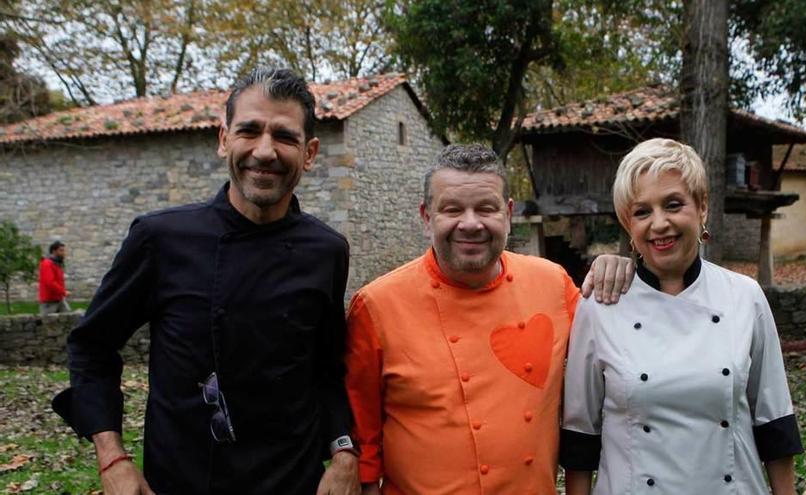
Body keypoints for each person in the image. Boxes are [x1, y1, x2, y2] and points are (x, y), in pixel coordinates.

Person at [52, 68, 360, 495]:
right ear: (223, 140)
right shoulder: (161, 238)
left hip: (292, 478)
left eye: (285, 137)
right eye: (249, 131)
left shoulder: (326, 250)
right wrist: (113, 457)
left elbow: (326, 369)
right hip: (185, 477)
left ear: (309, 153)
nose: (265, 151)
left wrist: (344, 452)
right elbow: (91, 346)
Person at [344, 144, 634, 495]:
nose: (470, 223)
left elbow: (619, 354)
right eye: (452, 209)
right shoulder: (376, 306)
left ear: (508, 214)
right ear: (426, 217)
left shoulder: (553, 285)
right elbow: (364, 437)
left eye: (486, 208)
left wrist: (625, 266)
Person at [561, 138, 803, 495]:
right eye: (642, 212)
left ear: (702, 206)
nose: (659, 224)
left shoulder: (744, 296)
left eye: (673, 205)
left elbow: (774, 423)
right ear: (629, 224)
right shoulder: (599, 306)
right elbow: (581, 436)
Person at [39, 240, 71, 315]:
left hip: (59, 299)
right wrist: (63, 292)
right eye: (61, 251)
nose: (64, 253)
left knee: (69, 319)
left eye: (63, 251)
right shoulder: (47, 264)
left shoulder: (57, 264)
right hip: (49, 301)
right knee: (49, 323)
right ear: (54, 251)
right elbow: (50, 282)